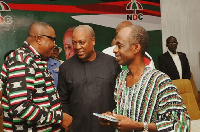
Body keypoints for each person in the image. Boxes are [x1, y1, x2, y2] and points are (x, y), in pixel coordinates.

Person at [100, 25, 190, 131]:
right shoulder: (121, 78)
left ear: (136, 48)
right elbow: (126, 113)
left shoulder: (160, 81)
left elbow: (181, 125)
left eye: (119, 46)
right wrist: (112, 117)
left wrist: (138, 126)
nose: (115, 50)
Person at [0, 22, 72, 131]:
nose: (54, 45)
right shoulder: (21, 61)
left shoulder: (37, 60)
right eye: (52, 39)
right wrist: (59, 118)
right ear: (38, 38)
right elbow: (20, 107)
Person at [57, 25, 121, 132]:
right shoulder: (65, 68)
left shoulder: (111, 63)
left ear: (93, 41)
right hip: (78, 128)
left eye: (82, 42)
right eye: (74, 43)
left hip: (108, 128)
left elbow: (120, 96)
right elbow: (63, 100)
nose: (77, 47)